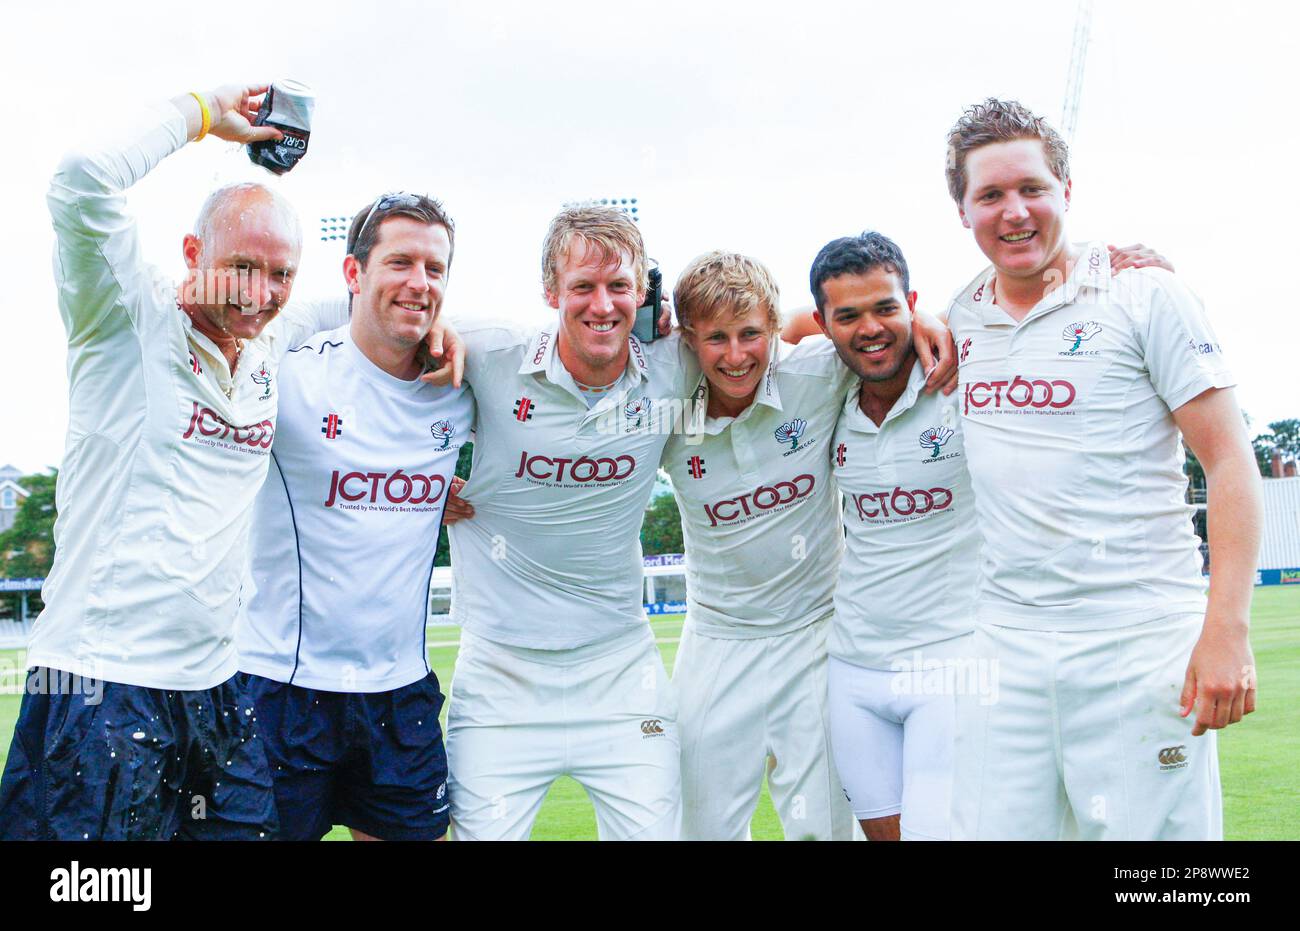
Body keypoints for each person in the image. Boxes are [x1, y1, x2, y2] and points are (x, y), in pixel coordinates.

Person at [0, 84, 343, 839]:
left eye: (281, 275)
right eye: (242, 267)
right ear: (192, 253)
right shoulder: (125, 315)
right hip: (96, 685)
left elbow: (374, 304)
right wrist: (201, 113)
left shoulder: (266, 343)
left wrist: (444, 339)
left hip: (217, 692)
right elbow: (82, 176)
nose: (261, 294)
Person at [942, 98, 1261, 840]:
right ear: (963, 210)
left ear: (1067, 192)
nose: (1014, 212)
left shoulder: (1146, 293)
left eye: (1032, 189)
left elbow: (1229, 460)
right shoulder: (960, 315)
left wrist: (1227, 629)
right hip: (1005, 646)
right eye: (990, 195)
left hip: (1138, 637)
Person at [441, 205, 692, 840]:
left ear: (642, 294)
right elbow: (362, 330)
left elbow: (782, 336)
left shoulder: (675, 365)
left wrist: (926, 321)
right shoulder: (488, 351)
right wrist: (411, 480)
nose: (601, 305)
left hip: (621, 670)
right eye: (582, 286)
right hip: (500, 675)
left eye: (618, 286)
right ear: (551, 292)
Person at [235, 193, 472, 841]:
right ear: (351, 274)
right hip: (279, 690)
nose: (418, 283)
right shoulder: (285, 374)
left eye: (434, 268)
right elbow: (231, 326)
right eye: (398, 262)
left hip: (401, 699)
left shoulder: (460, 387)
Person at [660, 251, 859, 841]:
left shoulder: (817, 373)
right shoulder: (661, 402)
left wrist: (924, 323)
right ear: (689, 341)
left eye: (751, 334)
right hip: (718, 641)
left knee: (824, 827)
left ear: (775, 328)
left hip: (819, 634)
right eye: (716, 338)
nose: (736, 354)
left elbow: (889, 330)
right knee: (700, 829)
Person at [809, 232, 980, 841]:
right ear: (824, 326)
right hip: (852, 667)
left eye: (886, 307)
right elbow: (752, 321)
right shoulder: (825, 393)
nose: (870, 328)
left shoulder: (966, 374)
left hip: (951, 659)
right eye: (847, 316)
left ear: (912, 301)